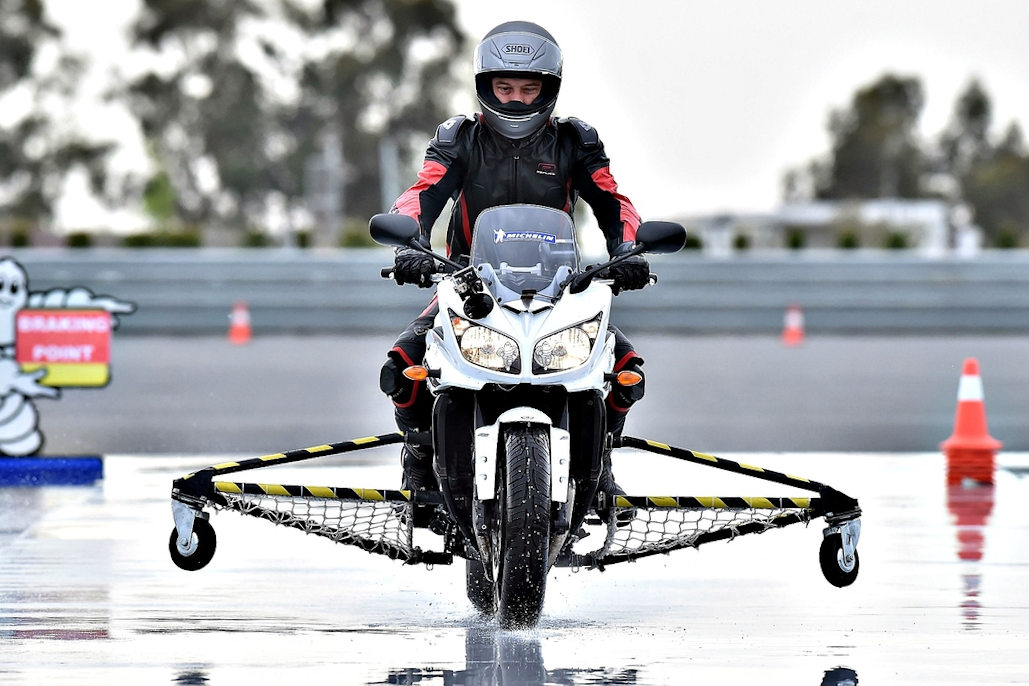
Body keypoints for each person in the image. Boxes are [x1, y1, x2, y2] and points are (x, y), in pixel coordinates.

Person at [379, 21, 649, 493]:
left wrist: (628, 248)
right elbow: (421, 194)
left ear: (550, 89)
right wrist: (410, 244)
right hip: (466, 282)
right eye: (505, 87)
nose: (516, 99)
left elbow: (613, 202)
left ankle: (600, 458)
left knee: (624, 367)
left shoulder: (575, 142)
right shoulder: (458, 138)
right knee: (403, 363)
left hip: (561, 288)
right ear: (485, 86)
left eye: (529, 88)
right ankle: (420, 457)